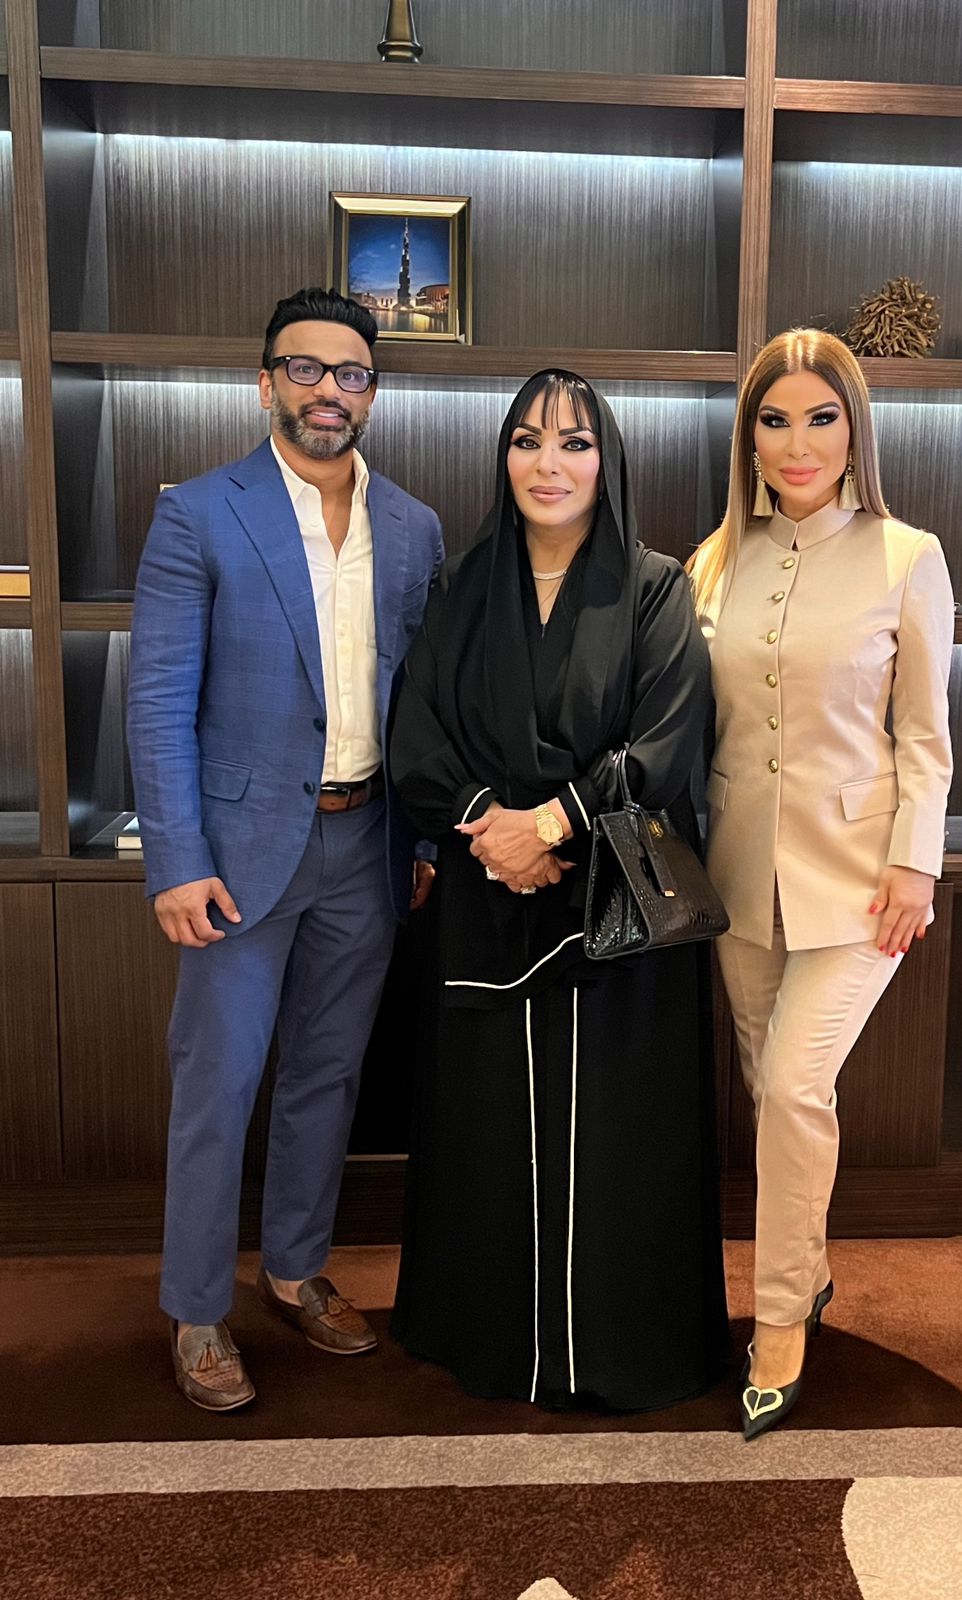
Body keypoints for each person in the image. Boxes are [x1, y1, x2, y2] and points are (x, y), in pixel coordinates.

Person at [388, 369, 729, 1411]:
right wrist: (493, 828)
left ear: (606, 461)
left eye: (574, 443)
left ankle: (622, 1351)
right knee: (489, 1132)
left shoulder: (655, 586)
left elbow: (668, 739)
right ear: (504, 455)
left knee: (622, 1141)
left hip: (614, 901)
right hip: (485, 894)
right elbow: (417, 734)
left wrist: (549, 824)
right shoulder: (461, 584)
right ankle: (493, 1343)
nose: (549, 464)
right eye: (528, 440)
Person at [127, 287, 443, 1411]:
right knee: (218, 1083)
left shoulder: (414, 527)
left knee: (328, 1073)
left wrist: (424, 835)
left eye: (351, 374)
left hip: (370, 843)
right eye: (305, 369)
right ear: (265, 382)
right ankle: (196, 1307)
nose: (327, 391)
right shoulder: (198, 513)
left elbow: (426, 702)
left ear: (372, 394)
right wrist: (176, 859)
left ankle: (296, 1268)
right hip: (237, 854)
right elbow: (158, 700)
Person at [688, 328, 954, 1439]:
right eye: (775, 419)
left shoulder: (907, 556)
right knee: (775, 1090)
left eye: (821, 418)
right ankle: (810, 1262)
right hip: (737, 877)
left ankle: (782, 1316)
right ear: (749, 438)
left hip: (860, 883)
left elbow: (924, 735)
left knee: (796, 1087)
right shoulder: (713, 560)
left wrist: (917, 860)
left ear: (855, 431)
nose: (798, 443)